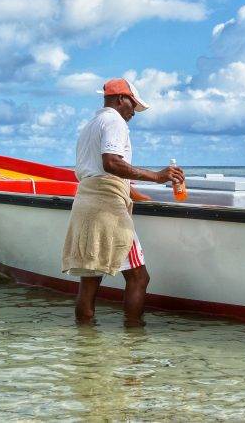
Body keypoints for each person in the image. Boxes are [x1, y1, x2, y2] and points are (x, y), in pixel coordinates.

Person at [61, 77, 184, 325]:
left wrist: (133, 193)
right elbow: (111, 163)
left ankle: (85, 347)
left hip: (85, 204)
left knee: (90, 280)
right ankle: (133, 338)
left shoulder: (90, 125)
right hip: (108, 209)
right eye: (133, 105)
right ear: (120, 99)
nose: (134, 113)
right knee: (139, 277)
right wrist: (157, 177)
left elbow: (96, 171)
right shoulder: (114, 121)